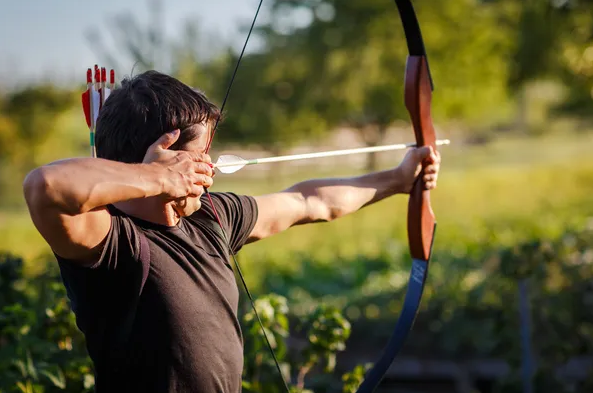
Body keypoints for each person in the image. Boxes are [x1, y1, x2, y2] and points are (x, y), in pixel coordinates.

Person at [22, 70, 441, 393]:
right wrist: (155, 179)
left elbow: (309, 202)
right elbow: (45, 187)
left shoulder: (211, 217)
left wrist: (399, 180)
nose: (210, 168)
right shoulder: (112, 242)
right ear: (167, 160)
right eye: (201, 155)